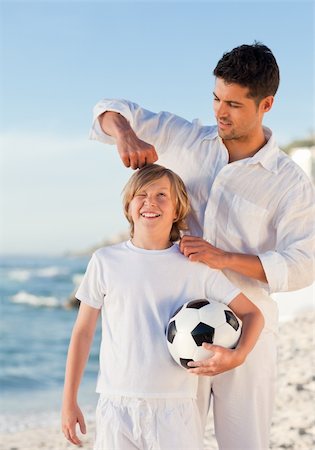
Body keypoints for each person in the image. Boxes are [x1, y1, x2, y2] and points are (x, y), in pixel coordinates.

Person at [89, 42, 315, 449]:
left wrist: (224, 258)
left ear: (266, 105)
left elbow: (304, 263)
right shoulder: (187, 138)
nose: (220, 112)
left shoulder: (289, 182)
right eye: (216, 98)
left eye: (234, 104)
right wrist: (124, 134)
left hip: (249, 327)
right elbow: (111, 107)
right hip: (177, 326)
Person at [61, 164, 264, 450]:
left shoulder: (195, 265)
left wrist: (238, 355)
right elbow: (83, 332)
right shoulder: (105, 261)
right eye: (141, 195)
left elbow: (253, 313)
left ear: (177, 208)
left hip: (175, 407)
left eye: (161, 195)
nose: (150, 202)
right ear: (129, 206)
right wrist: (68, 401)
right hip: (116, 404)